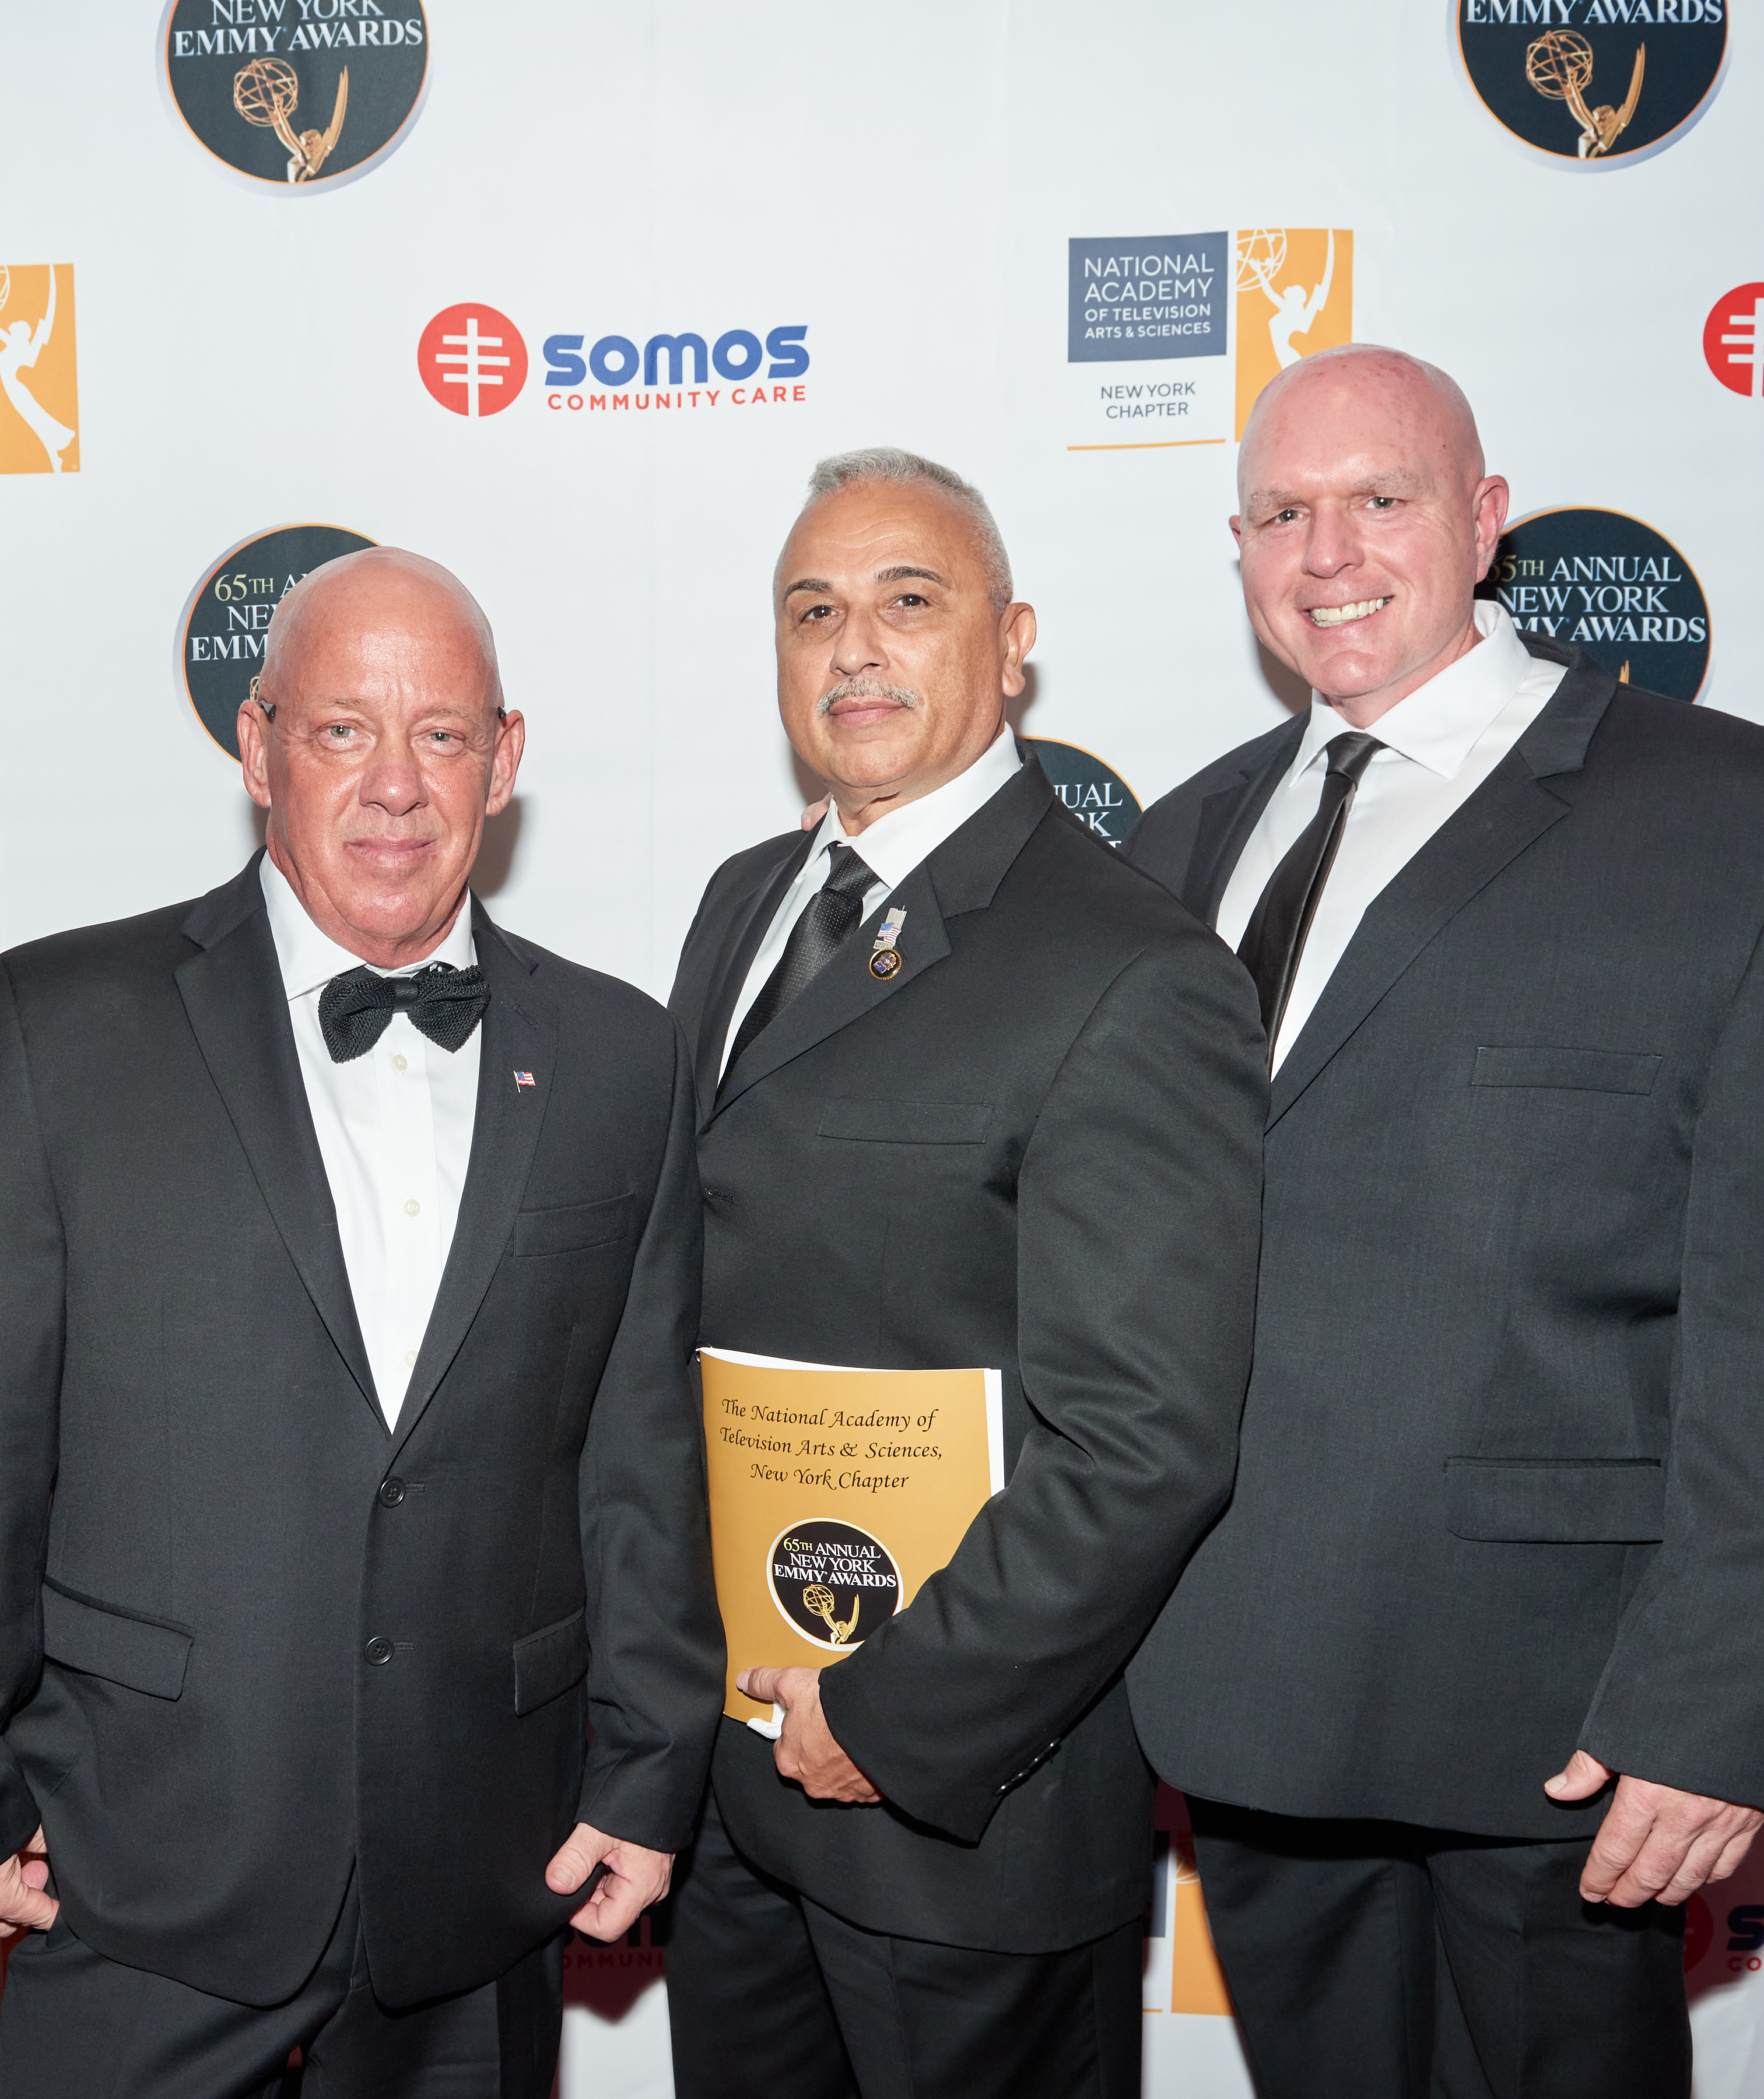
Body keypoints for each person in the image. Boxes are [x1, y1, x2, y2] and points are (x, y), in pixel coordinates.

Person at [1125, 344, 1764, 2098]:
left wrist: (1716, 1707)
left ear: (1487, 519)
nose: (1328, 553)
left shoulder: (1760, 830)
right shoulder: (1177, 847)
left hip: (1560, 1730)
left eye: (1382, 500)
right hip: (1238, 1694)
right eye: (1280, 513)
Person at [0, 546, 721, 2098]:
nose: (396, 785)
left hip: (483, 1868)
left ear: (505, 758)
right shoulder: (63, 1021)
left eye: (442, 734)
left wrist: (652, 1772)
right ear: (258, 749)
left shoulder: (620, 1058)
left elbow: (640, 1463)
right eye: (342, 731)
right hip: (136, 1862)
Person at [657, 449, 1268, 2099]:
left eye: (908, 602)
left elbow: (1145, 1439)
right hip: (732, 1783)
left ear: (1013, 642)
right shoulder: (742, 904)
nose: (854, 648)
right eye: (813, 611)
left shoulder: (1127, 967)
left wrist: (896, 1715)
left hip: (959, 1811)